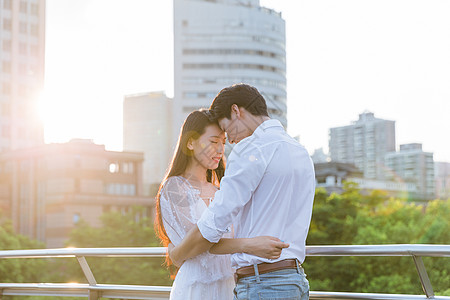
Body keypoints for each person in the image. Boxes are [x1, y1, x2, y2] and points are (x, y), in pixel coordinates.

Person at [169, 84, 316, 299]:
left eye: (225, 128)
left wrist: (177, 253)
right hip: (295, 281)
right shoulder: (300, 151)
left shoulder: (252, 149)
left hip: (263, 284)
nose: (229, 139)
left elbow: (212, 226)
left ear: (236, 111)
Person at [155, 110, 289, 300]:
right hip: (197, 286)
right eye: (213, 142)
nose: (220, 150)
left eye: (223, 143)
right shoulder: (175, 187)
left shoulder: (221, 190)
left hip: (228, 283)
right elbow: (200, 241)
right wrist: (250, 245)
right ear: (190, 142)